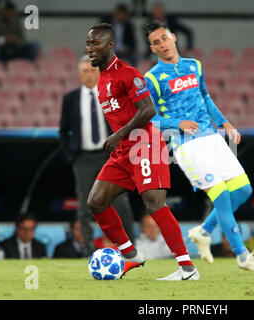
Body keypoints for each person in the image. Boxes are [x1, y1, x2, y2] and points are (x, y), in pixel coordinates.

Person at [143, 21, 254, 272]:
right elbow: (148, 119)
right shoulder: (152, 78)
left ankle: (204, 231)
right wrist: (177, 122)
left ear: (173, 37)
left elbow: (205, 97)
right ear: (152, 48)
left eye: (164, 38)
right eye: (156, 42)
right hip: (186, 146)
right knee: (222, 197)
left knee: (243, 191)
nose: (162, 44)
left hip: (212, 138)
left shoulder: (194, 66)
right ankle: (242, 255)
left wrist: (225, 123)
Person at [85, 23, 199, 280]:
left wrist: (118, 134)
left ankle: (187, 269)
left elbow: (147, 109)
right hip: (123, 152)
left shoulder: (127, 73)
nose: (90, 49)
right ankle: (130, 254)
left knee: (153, 203)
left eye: (96, 43)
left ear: (111, 45)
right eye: (88, 44)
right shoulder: (102, 78)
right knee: (96, 201)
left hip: (144, 144)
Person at [60, 54, 135, 255]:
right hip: (82, 158)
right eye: (84, 71)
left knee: (121, 203)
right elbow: (63, 130)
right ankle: (88, 251)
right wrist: (71, 155)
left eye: (92, 70)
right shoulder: (70, 99)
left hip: (109, 155)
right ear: (79, 74)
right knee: (85, 206)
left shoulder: (110, 95)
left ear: (99, 72)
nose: (88, 75)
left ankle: (131, 250)